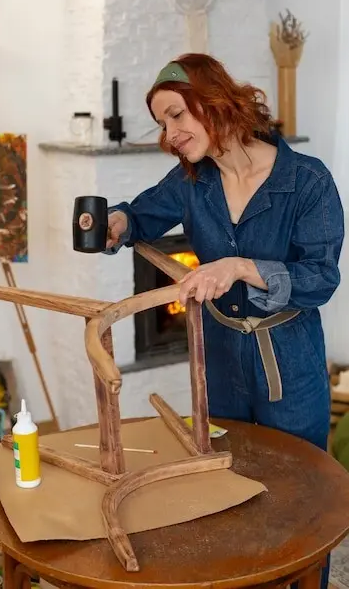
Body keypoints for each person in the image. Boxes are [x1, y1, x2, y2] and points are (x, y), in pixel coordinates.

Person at [105, 53, 344, 587]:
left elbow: (321, 280)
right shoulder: (192, 180)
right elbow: (141, 215)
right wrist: (117, 220)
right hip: (219, 357)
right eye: (162, 122)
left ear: (213, 102)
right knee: (227, 483)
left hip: (289, 361)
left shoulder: (307, 180)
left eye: (176, 115)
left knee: (303, 495)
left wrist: (238, 267)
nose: (169, 134)